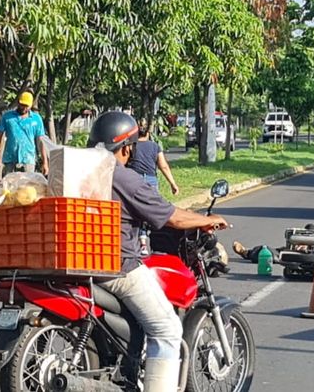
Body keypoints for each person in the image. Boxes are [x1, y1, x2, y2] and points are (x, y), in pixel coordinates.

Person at [87, 111, 229, 392]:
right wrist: (208, 220)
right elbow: (172, 217)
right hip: (116, 266)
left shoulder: (81, 173)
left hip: (75, 263)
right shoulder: (124, 179)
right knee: (168, 330)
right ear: (127, 148)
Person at [0, 90, 49, 176]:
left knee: (27, 188)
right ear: (18, 102)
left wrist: (45, 162)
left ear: (30, 105)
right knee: (9, 187)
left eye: (26, 106)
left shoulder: (36, 119)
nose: (23, 107)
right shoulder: (7, 117)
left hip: (28, 160)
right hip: (10, 160)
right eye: (22, 104)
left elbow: (41, 141)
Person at [127, 125, 179, 195]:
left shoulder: (130, 146)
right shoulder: (155, 146)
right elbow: (164, 167)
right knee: (152, 204)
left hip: (134, 179)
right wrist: (173, 184)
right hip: (150, 181)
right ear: (148, 133)